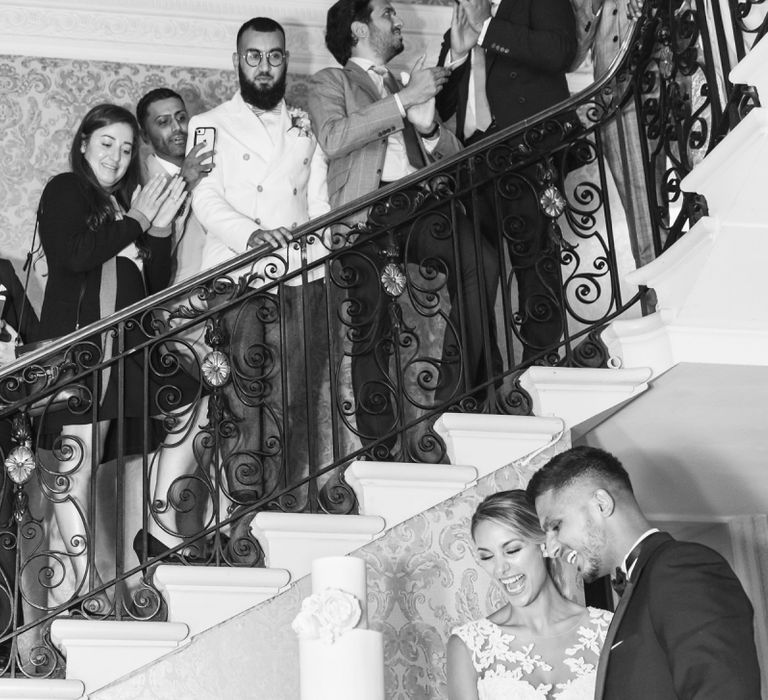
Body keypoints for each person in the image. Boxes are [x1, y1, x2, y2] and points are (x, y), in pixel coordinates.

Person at [30, 103, 208, 598]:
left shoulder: (124, 208)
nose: (116, 156)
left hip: (127, 350)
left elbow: (152, 284)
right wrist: (137, 219)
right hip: (83, 351)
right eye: (107, 143)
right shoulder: (66, 190)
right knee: (77, 474)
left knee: (198, 401)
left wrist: (157, 230)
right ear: (84, 142)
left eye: (127, 149)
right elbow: (75, 255)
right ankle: (87, 586)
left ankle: (160, 527)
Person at [307, 0, 499, 455]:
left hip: (422, 202)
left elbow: (450, 152)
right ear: (358, 28)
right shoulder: (329, 82)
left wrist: (429, 125)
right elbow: (333, 137)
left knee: (482, 259)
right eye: (387, 14)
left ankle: (460, 398)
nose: (397, 22)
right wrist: (401, 102)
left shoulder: (405, 82)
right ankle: (380, 445)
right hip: (367, 211)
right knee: (371, 326)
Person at [188, 17, 331, 507]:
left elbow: (320, 203)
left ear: (286, 60)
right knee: (243, 404)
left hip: (298, 276)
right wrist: (253, 236)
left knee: (292, 399)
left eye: (274, 55)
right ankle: (243, 515)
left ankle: (279, 508)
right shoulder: (207, 124)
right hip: (238, 276)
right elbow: (205, 200)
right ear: (237, 61)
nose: (264, 66)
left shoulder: (305, 122)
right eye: (254, 56)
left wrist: (322, 263)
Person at [527, 445, 762, 699]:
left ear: (602, 504)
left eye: (556, 526)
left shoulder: (682, 568)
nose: (549, 548)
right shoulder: (640, 585)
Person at [436, 0, 578, 361]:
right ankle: (482, 386)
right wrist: (455, 52)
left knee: (533, 261)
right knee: (476, 275)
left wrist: (488, 28)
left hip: (526, 149)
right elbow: (439, 104)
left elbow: (561, 52)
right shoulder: (466, 17)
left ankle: (542, 365)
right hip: (472, 160)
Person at [447, 489, 612, 700]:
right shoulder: (470, 646)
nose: (499, 569)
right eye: (487, 557)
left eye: (512, 550)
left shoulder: (606, 631)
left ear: (545, 545)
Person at [136, 87, 210, 285]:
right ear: (145, 136)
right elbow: (148, 254)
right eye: (163, 122)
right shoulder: (140, 185)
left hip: (227, 293)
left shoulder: (210, 167)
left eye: (181, 118)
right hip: (176, 303)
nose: (177, 127)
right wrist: (183, 183)